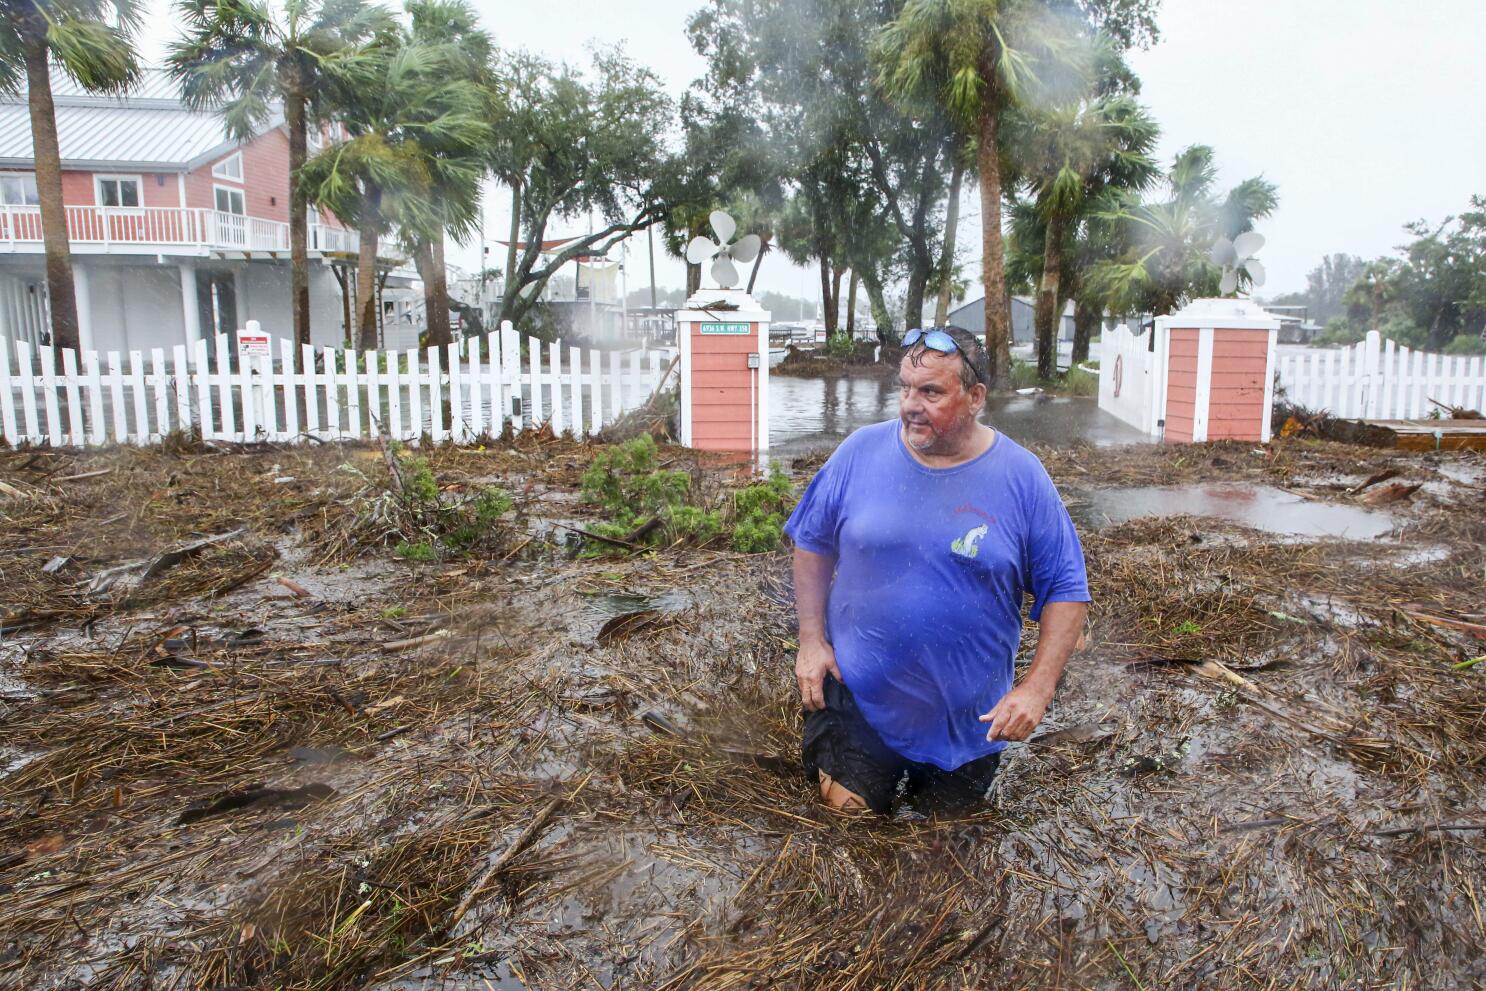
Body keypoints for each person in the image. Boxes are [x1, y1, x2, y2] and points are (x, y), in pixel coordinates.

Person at [783, 325, 1090, 815]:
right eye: (904, 388)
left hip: (968, 721)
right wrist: (811, 640)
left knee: (942, 848)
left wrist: (1036, 688)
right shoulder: (860, 453)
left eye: (930, 392)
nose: (909, 404)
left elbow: (1066, 589)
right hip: (860, 700)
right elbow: (812, 542)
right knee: (848, 822)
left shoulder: (1021, 477)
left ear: (975, 397)